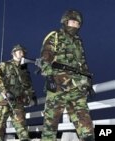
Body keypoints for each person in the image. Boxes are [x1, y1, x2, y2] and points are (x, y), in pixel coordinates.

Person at [39, 10, 94, 141]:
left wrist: (88, 81)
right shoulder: (55, 36)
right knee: (50, 125)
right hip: (58, 86)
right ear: (65, 22)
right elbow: (45, 59)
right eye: (72, 22)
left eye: (77, 23)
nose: (74, 25)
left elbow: (82, 63)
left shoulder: (78, 41)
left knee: (85, 123)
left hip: (76, 86)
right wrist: (49, 77)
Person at [0, 44, 37, 141]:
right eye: (19, 51)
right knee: (0, 128)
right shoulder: (5, 65)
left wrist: (32, 96)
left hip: (18, 102)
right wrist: (4, 91)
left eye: (23, 52)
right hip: (5, 101)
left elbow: (28, 85)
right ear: (14, 53)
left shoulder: (24, 70)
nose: (22, 54)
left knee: (22, 127)